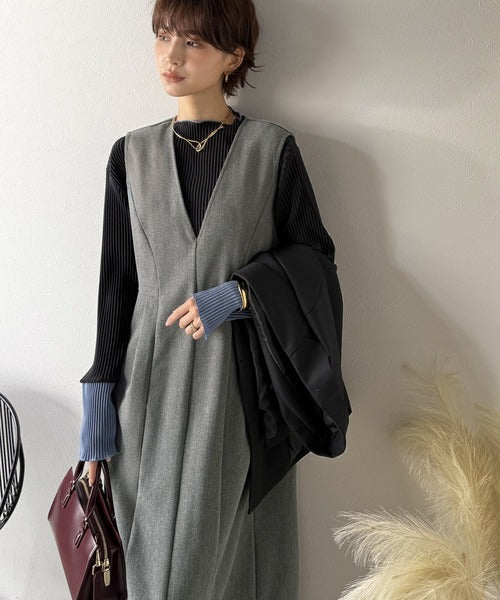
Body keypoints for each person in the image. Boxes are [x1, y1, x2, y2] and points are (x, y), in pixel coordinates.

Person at [78, 0, 339, 597]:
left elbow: (316, 264)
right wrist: (96, 426)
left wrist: (240, 295)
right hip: (145, 399)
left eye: (192, 42)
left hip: (235, 396)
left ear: (233, 57)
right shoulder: (130, 156)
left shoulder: (271, 152)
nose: (170, 56)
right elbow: (116, 289)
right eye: (163, 35)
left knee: (221, 572)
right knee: (141, 572)